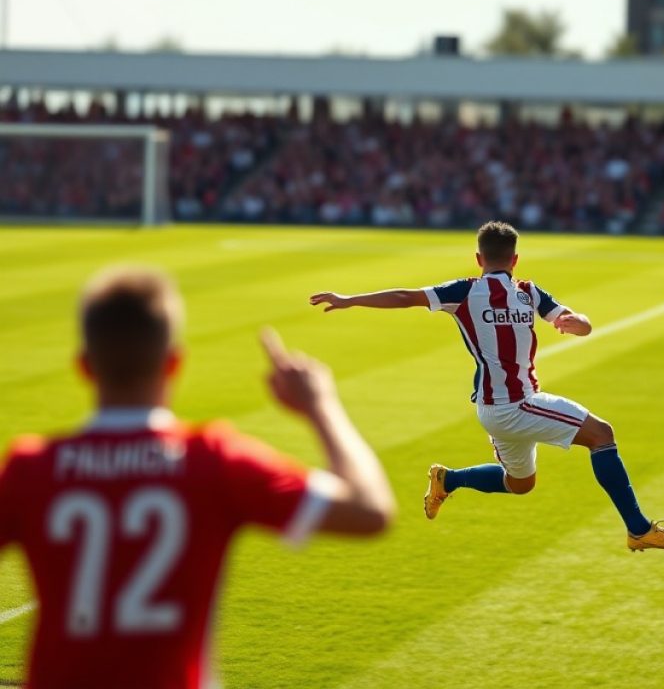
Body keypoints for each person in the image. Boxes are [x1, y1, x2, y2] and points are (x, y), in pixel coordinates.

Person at [0, 267, 395, 689]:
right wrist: (321, 407)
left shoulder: (30, 468)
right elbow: (371, 510)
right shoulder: (212, 462)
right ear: (174, 363)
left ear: (83, 366)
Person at [310, 220, 664, 552]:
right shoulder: (528, 291)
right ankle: (639, 529)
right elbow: (582, 322)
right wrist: (581, 323)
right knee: (602, 434)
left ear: (479, 259)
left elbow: (406, 297)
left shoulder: (465, 291)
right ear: (515, 258)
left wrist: (350, 300)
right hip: (516, 404)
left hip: (496, 410)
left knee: (520, 484)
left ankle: (448, 479)